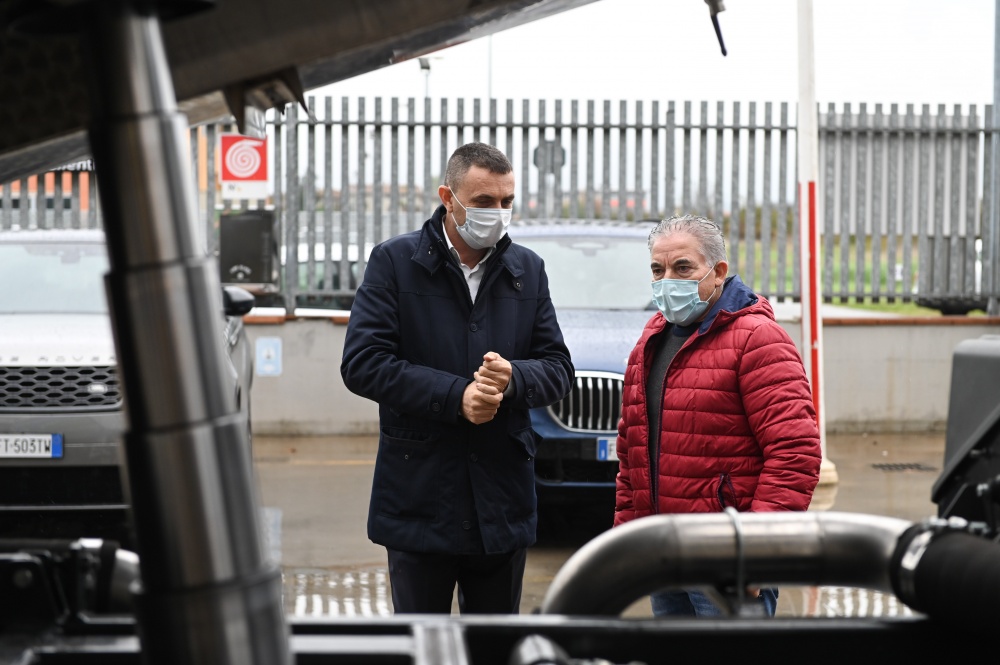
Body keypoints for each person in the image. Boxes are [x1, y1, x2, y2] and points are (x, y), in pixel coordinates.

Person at [340, 142, 574, 615]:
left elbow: (557, 368)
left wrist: (513, 379)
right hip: (420, 495)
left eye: (507, 202)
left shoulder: (527, 269)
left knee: (495, 647)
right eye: (485, 202)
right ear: (449, 197)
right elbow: (363, 362)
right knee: (422, 643)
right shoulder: (394, 261)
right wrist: (456, 395)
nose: (499, 213)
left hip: (501, 499)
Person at [613, 214, 822, 618]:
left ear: (718, 272)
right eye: (658, 270)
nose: (667, 280)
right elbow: (631, 452)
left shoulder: (758, 340)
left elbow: (795, 453)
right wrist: (627, 542)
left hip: (728, 561)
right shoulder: (651, 340)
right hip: (664, 554)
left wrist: (757, 552)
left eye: (682, 268)